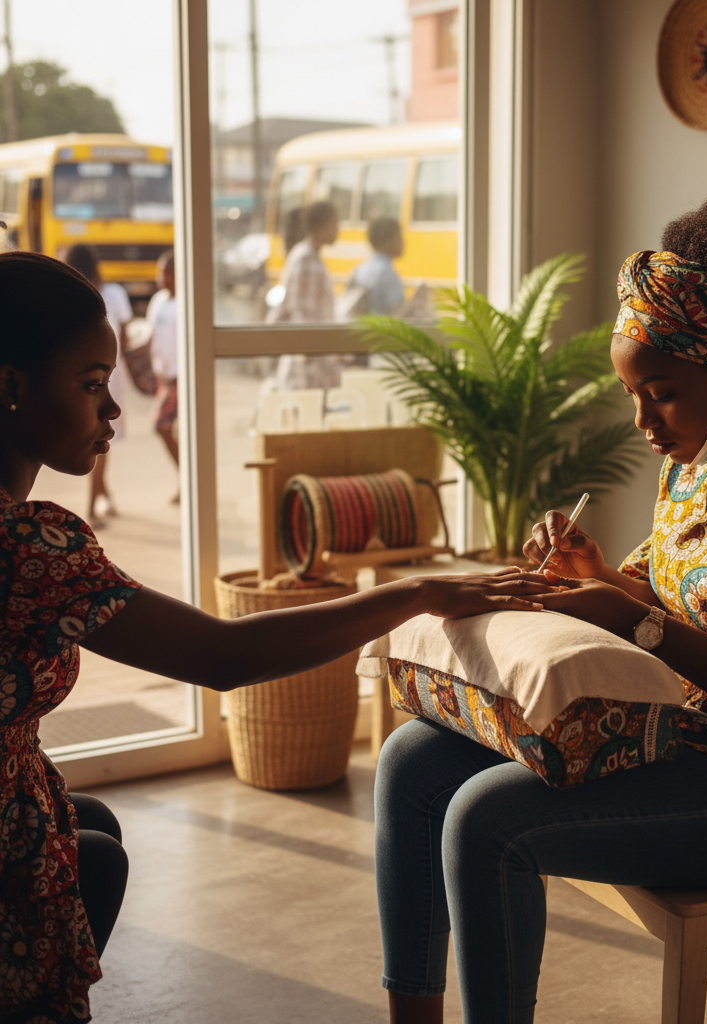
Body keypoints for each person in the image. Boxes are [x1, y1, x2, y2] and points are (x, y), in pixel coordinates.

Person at [373, 200, 707, 1024]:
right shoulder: (694, 466)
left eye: (660, 394)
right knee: (410, 758)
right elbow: (674, 604)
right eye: (633, 393)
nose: (642, 422)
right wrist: (599, 577)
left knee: (487, 822)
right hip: (682, 732)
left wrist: (638, 625)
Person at [0, 250, 557, 1024]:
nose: (114, 410)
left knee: (89, 826)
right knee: (90, 850)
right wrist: (418, 592)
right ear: (11, 386)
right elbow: (225, 655)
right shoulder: (28, 547)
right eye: (92, 385)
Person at [62, 244, 134, 527]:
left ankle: (98, 500)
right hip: (112, 377)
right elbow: (125, 340)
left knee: (95, 438)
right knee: (100, 438)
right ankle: (96, 504)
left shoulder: (67, 299)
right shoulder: (113, 294)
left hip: (80, 380)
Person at [268, 201, 342, 390]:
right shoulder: (305, 259)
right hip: (307, 362)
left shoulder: (310, 256)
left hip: (312, 358)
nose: (338, 230)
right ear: (321, 225)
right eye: (334, 224)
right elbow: (302, 314)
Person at [146, 250, 179, 502]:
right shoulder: (157, 302)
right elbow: (153, 339)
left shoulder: (186, 302)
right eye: (161, 273)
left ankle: (189, 479)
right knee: (169, 428)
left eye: (168, 273)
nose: (163, 278)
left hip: (181, 377)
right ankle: (187, 479)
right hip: (165, 377)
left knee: (162, 425)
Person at [346, 216, 406, 315]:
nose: (403, 242)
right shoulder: (387, 273)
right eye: (399, 237)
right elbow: (395, 313)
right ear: (387, 241)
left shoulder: (359, 270)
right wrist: (415, 302)